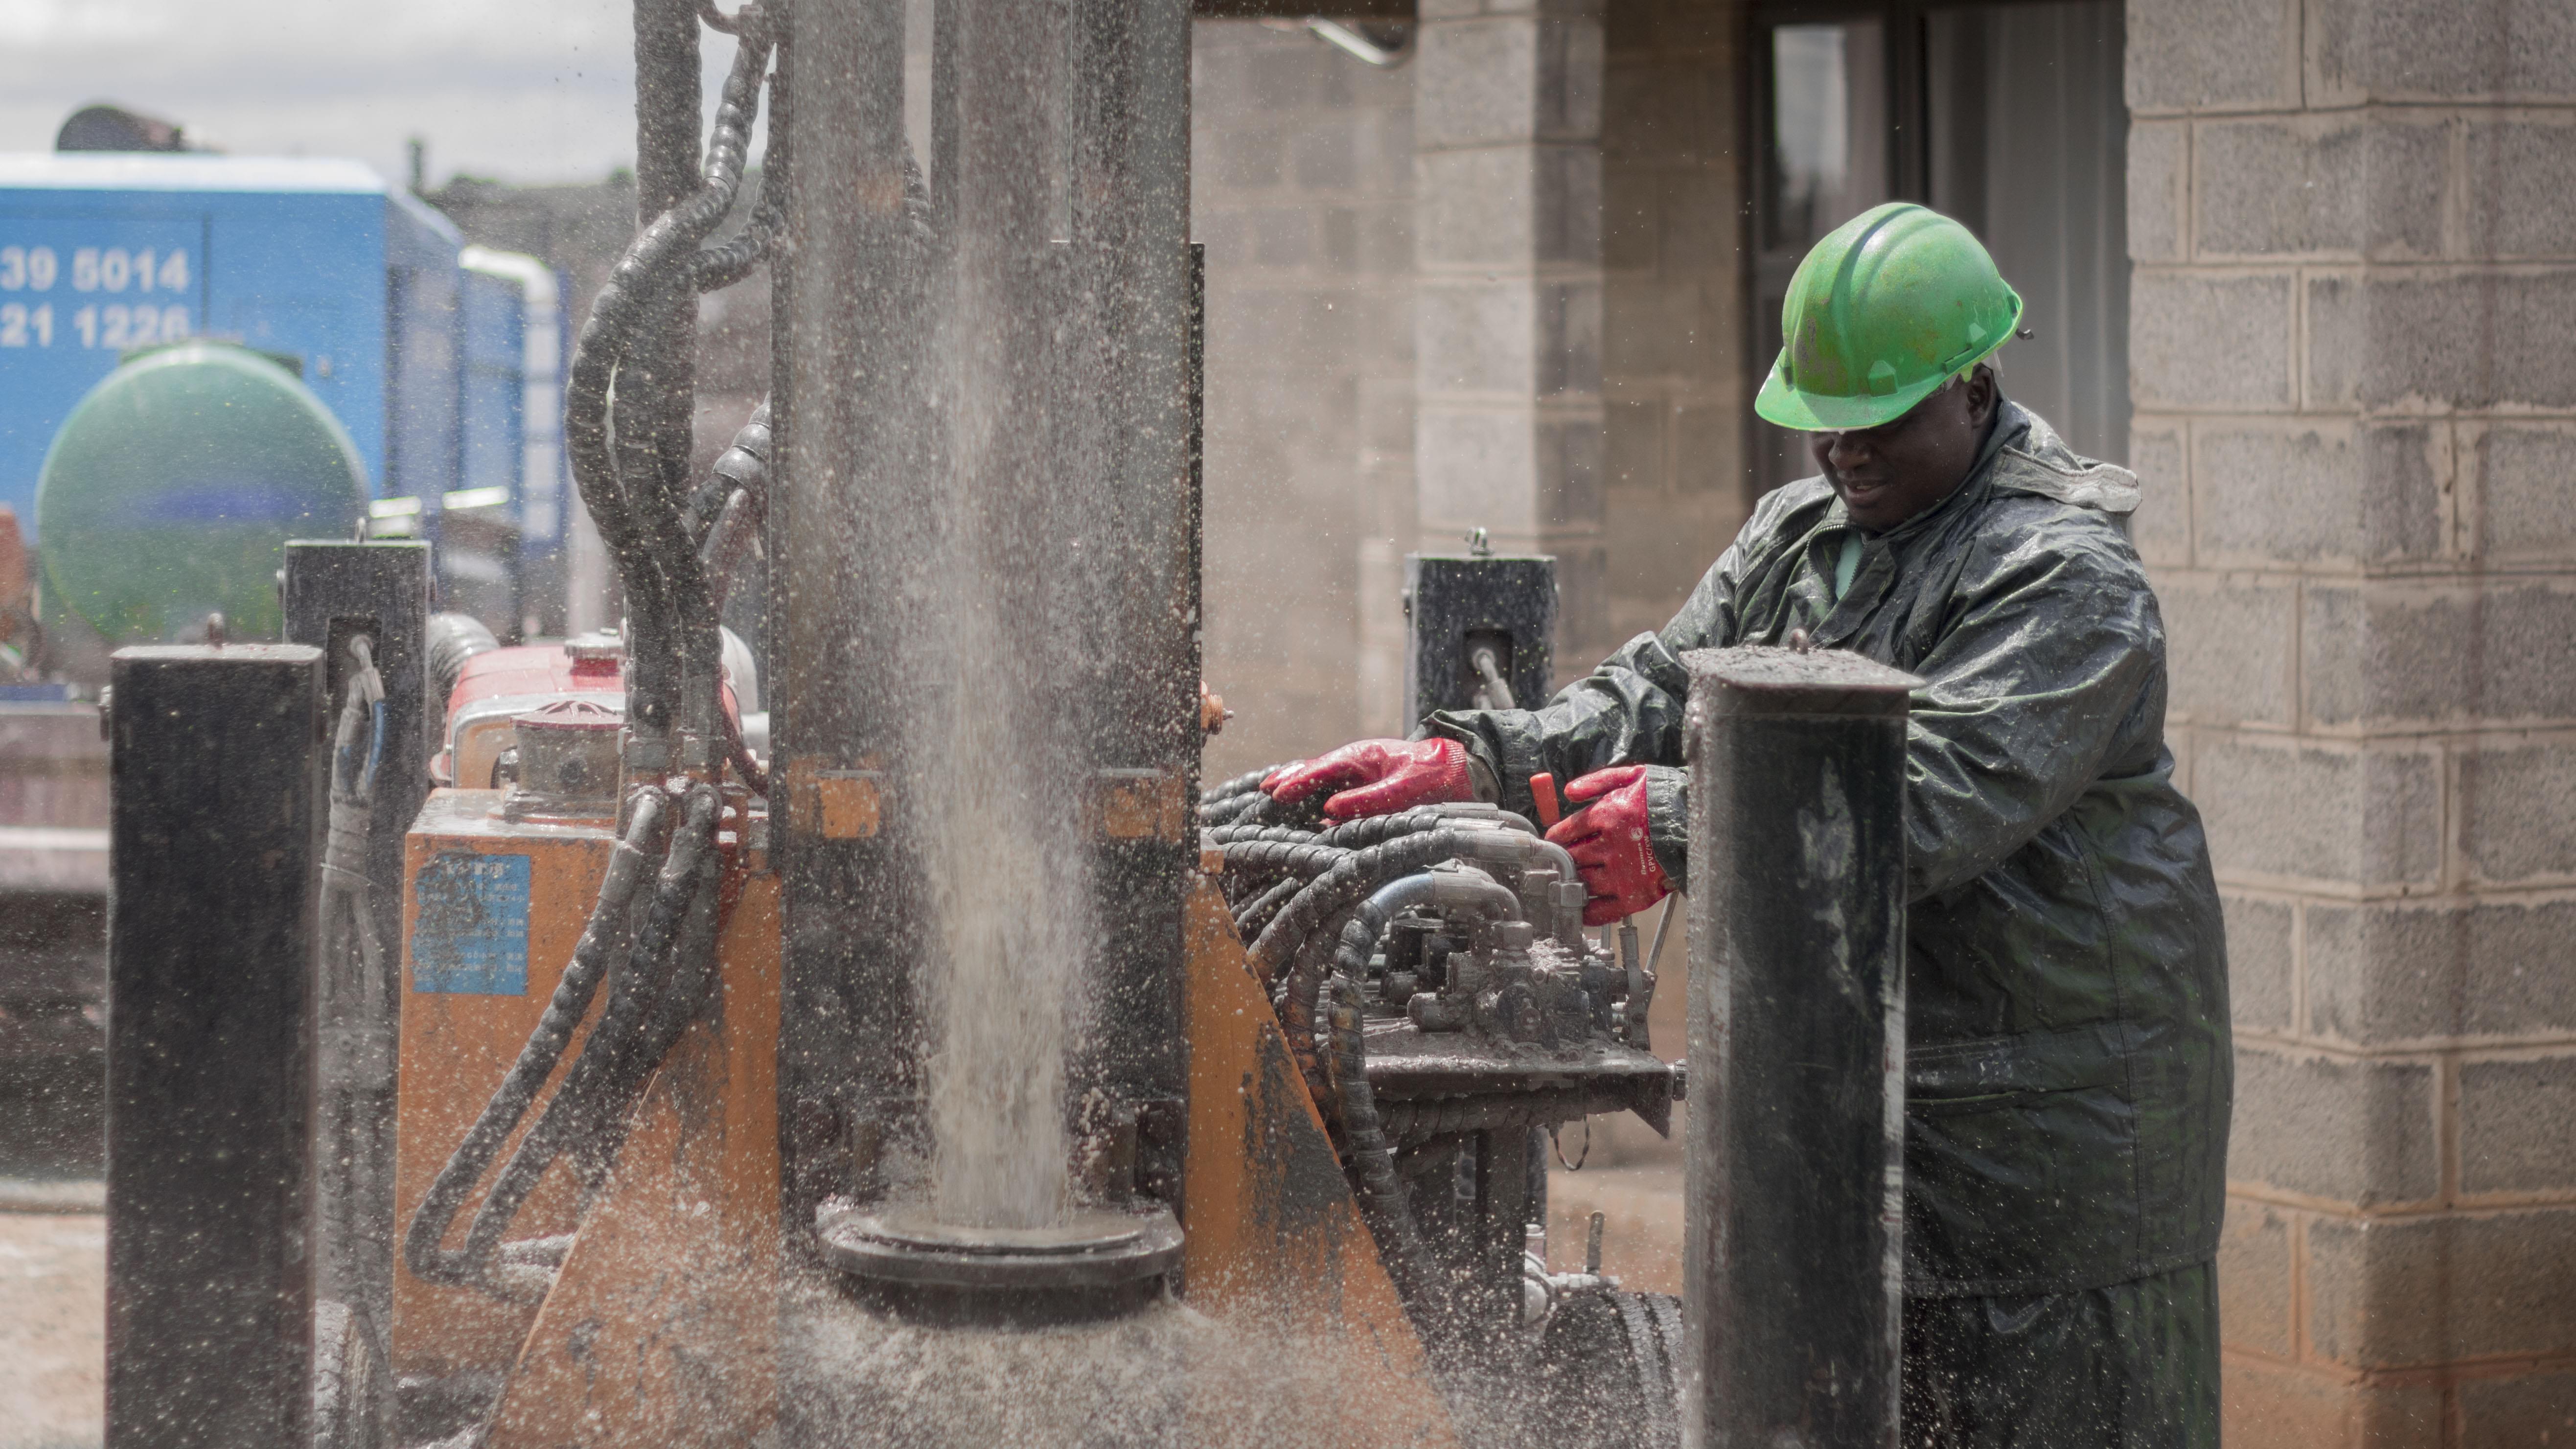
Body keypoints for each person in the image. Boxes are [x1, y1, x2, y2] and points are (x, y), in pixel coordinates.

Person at [1262, 202, 2231, 1448]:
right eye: (1825, 422)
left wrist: (1673, 825)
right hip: (1867, 1114)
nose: (1846, 452)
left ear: (1975, 386)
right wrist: (1474, 759)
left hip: (2052, 1155)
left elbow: (1922, 794)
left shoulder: (2063, 575)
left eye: (1879, 419)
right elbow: (1656, 690)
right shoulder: (1800, 535)